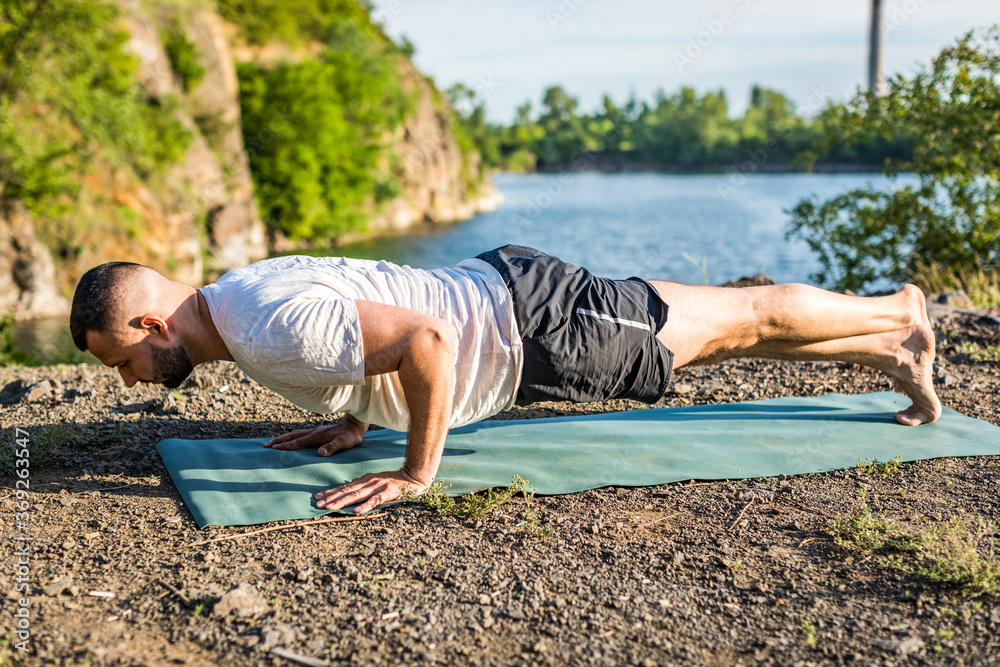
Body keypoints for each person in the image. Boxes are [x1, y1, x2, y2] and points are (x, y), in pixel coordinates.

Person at [70, 245, 941, 514]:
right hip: (515, 297)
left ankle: (897, 309)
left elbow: (426, 340)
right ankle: (893, 350)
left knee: (739, 321)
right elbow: (355, 322)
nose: (133, 380)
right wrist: (346, 418)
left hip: (536, 325)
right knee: (723, 341)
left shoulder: (259, 326)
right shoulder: (238, 297)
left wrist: (417, 471)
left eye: (125, 362)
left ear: (151, 324)